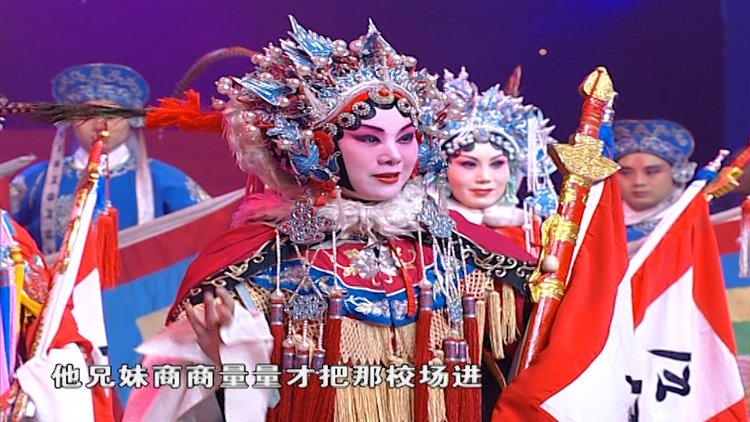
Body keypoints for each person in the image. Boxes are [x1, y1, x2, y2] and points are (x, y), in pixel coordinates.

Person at [124, 17, 535, 422]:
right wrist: (223, 362)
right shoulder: (257, 265)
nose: (393, 155)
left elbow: (527, 371)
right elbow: (175, 401)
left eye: (406, 137)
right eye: (369, 138)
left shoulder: (465, 254)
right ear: (317, 147)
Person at [11, 63, 209, 255]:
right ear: (71, 120)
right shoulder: (35, 180)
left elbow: (207, 228)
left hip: (138, 278)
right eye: (87, 115)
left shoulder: (163, 178)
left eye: (112, 115)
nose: (100, 124)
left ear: (130, 120)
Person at [425, 68, 557, 255]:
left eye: (497, 164)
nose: (485, 177)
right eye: (469, 164)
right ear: (442, 170)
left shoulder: (536, 237)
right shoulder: (423, 235)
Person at [613, 119, 696, 254]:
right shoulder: (594, 224)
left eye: (651, 172)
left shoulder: (697, 222)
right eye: (626, 173)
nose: (638, 181)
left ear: (677, 172)